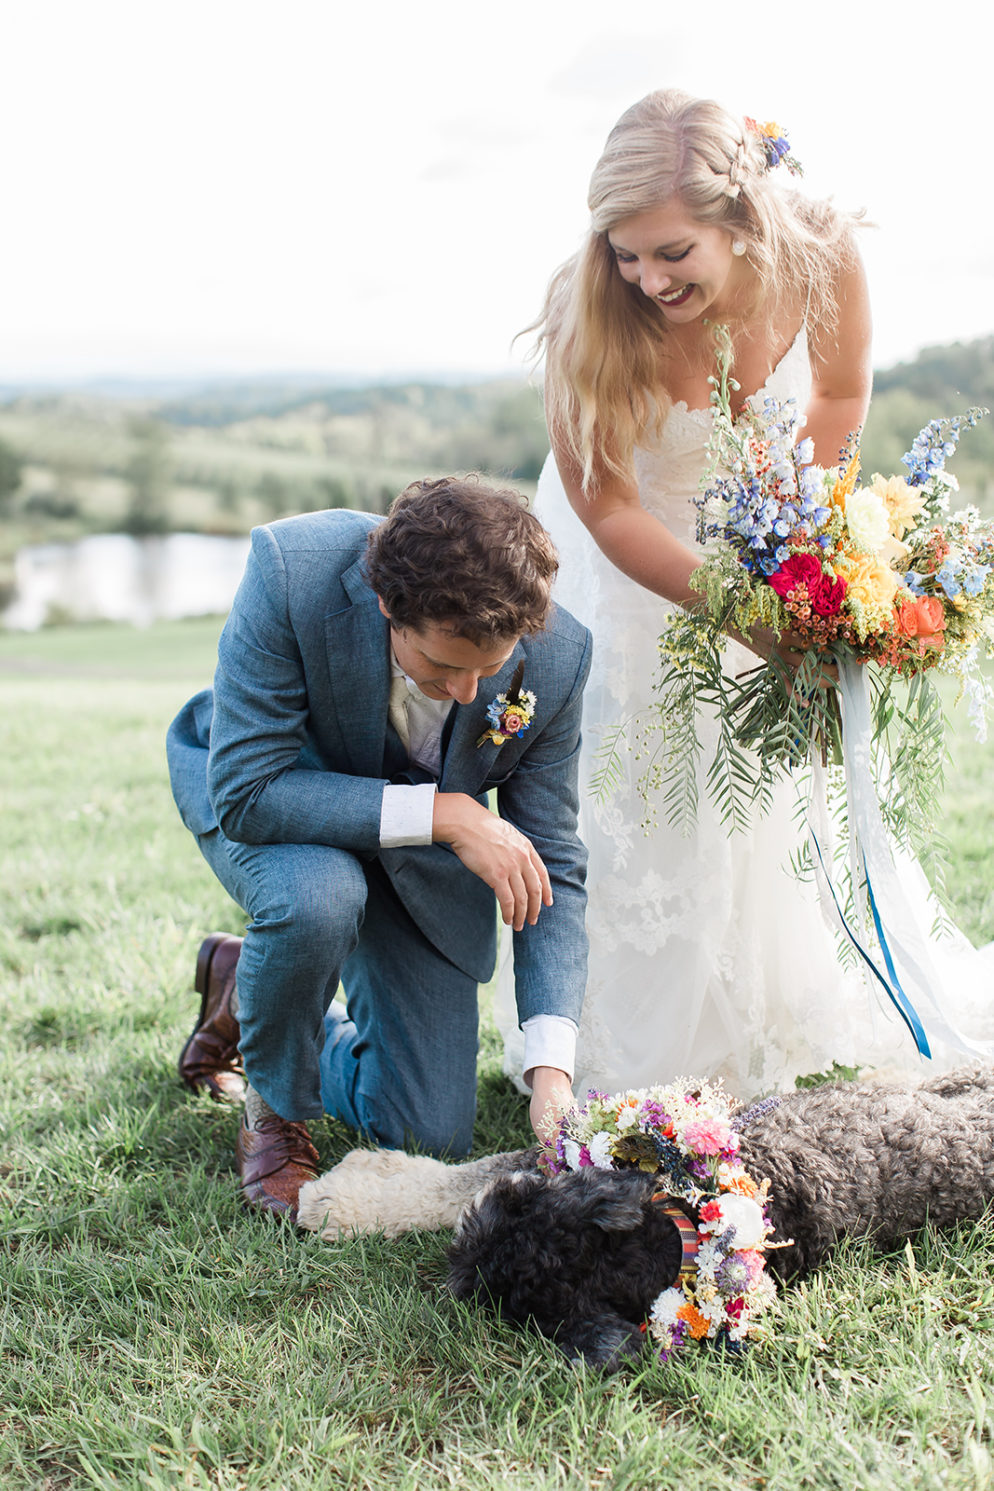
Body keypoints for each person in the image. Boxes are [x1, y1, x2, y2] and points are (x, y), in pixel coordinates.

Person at [496, 88, 994, 1102]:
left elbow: (839, 394)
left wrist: (795, 546)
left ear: (740, 219)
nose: (644, 278)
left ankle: (780, 1015)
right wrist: (741, 608)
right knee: (645, 796)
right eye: (625, 252)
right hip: (628, 569)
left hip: (757, 533)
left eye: (672, 253)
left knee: (766, 788)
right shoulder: (588, 308)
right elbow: (609, 512)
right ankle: (632, 1047)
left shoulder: (821, 251)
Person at [167, 475, 591, 1221]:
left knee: (427, 1127)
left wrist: (550, 1063)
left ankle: (251, 985)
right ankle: (274, 1112)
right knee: (319, 896)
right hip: (282, 806)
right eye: (442, 665)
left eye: (488, 671)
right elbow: (248, 789)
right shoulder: (290, 570)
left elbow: (550, 856)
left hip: (415, 864)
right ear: (390, 607)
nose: (466, 692)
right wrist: (447, 812)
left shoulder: (557, 660)